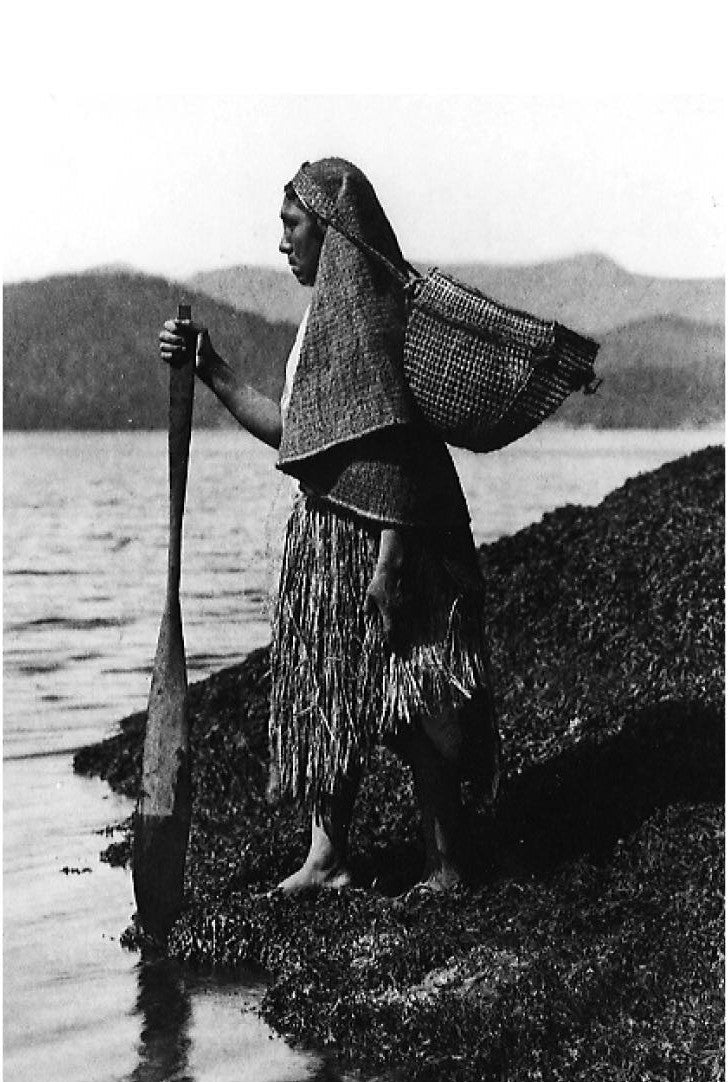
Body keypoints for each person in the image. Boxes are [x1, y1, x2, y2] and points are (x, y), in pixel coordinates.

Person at [159, 157, 499, 894]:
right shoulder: (321, 326)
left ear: (333, 233)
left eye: (292, 227)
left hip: (392, 541)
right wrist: (210, 368)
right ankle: (328, 857)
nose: (281, 243)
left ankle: (446, 864)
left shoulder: (379, 322)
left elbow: (402, 448)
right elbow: (296, 436)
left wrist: (388, 565)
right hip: (327, 535)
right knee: (331, 697)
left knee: (414, 696)